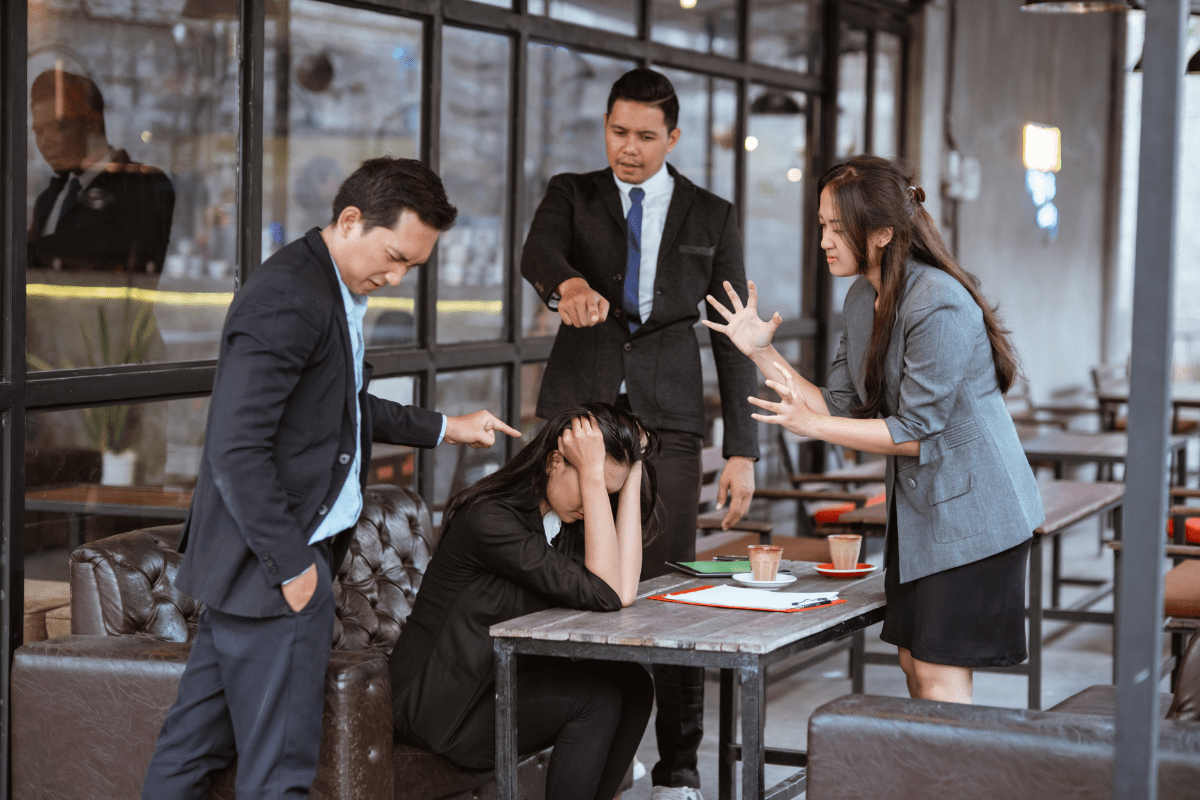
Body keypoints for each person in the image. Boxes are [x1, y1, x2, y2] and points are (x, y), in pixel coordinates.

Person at [141, 156, 521, 799]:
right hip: (275, 567)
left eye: (413, 267)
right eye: (395, 256)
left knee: (190, 753)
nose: (397, 277)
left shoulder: (331, 287)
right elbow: (236, 448)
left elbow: (339, 407)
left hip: (253, 569)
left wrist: (444, 426)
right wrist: (294, 568)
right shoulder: (291, 298)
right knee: (282, 775)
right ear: (350, 220)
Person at [704, 155, 1044, 704]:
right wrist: (762, 355)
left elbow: (915, 432)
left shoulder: (939, 302)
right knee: (914, 665)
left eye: (839, 228)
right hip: (921, 515)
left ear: (883, 232)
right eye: (822, 225)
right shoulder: (863, 297)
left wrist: (812, 426)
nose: (825, 241)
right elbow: (840, 404)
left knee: (937, 673)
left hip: (976, 516)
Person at [521, 67, 758, 800]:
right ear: (606, 128)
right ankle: (598, 744)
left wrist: (744, 448)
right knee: (577, 580)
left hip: (672, 422)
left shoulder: (711, 215)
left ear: (673, 137)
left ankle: (680, 766)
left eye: (646, 137)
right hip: (581, 411)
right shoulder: (572, 193)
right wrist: (569, 287)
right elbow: (539, 254)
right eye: (618, 132)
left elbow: (731, 336)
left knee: (672, 593)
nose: (629, 149)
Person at [390, 403, 658, 800]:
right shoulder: (489, 520)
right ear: (554, 461)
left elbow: (624, 589)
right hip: (439, 707)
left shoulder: (564, 523)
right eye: (590, 487)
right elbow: (609, 592)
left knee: (634, 683)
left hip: (495, 683)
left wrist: (633, 468)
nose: (595, 504)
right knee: (595, 702)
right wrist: (593, 476)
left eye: (607, 494)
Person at [28, 68, 175, 273]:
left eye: (59, 126)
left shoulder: (143, 185)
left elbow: (98, 247)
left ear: (93, 124)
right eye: (39, 131)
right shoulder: (49, 198)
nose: (45, 142)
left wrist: (21, 250)